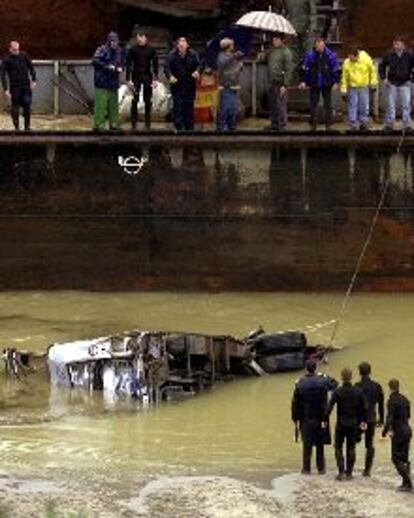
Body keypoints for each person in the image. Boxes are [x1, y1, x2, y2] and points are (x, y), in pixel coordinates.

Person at [291, 359, 338, 475]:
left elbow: (295, 403)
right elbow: (335, 385)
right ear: (315, 368)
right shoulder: (323, 381)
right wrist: (324, 375)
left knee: (307, 445)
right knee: (320, 444)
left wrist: (295, 418)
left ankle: (306, 469)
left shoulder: (300, 383)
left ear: (306, 368)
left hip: (306, 418)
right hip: (321, 417)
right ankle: (321, 469)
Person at [326, 368, 367, 480]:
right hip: (353, 424)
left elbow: (329, 408)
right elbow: (363, 410)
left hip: (341, 424)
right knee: (351, 447)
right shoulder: (358, 391)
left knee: (338, 447)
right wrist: (362, 425)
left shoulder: (338, 391)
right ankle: (349, 473)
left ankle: (341, 472)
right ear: (351, 377)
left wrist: (324, 420)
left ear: (342, 377)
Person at [300, 37, 340, 131]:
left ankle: (328, 125)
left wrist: (336, 81)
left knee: (328, 104)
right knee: (313, 104)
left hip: (327, 83)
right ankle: (313, 125)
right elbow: (304, 69)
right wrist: (303, 81)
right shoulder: (310, 55)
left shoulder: (330, 55)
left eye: (322, 46)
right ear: (315, 46)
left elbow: (335, 69)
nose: (320, 48)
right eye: (318, 46)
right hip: (314, 83)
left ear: (324, 45)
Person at [379, 36, 414, 133]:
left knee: (406, 105)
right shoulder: (389, 54)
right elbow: (382, 66)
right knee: (390, 105)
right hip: (392, 83)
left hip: (405, 83)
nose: (395, 46)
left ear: (403, 44)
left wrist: (411, 79)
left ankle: (406, 124)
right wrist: (384, 78)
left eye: (397, 44)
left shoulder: (409, 54)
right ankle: (389, 124)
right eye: (394, 44)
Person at [382, 379, 412, 491]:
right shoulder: (405, 399)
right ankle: (406, 483)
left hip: (399, 432)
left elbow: (390, 417)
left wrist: (384, 431)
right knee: (404, 458)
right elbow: (408, 416)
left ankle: (408, 482)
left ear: (390, 388)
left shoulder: (392, 400)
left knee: (395, 459)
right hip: (408, 430)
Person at [355, 362, 384, 477]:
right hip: (371, 419)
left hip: (360, 421)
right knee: (369, 443)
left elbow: (354, 405)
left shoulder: (357, 386)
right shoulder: (377, 386)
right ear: (370, 372)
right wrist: (381, 419)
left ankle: (349, 468)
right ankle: (367, 470)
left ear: (360, 372)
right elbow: (381, 404)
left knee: (353, 441)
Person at [165, 37, 200, 132]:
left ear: (187, 45)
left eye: (183, 43)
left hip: (189, 83)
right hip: (177, 84)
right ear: (177, 46)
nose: (181, 45)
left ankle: (189, 128)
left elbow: (199, 65)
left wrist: (197, 71)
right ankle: (179, 128)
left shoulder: (193, 54)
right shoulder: (171, 55)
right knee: (178, 106)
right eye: (180, 44)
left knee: (189, 106)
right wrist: (170, 76)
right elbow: (167, 68)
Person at [126, 29, 159, 131]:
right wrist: (128, 79)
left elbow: (155, 64)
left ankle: (148, 123)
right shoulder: (133, 49)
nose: (140, 39)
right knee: (135, 100)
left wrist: (155, 78)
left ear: (146, 38)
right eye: (138, 38)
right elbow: (129, 64)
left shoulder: (151, 49)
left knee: (147, 100)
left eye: (142, 37)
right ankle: (133, 123)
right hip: (136, 76)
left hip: (147, 76)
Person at [340, 46, 378, 131]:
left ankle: (363, 123)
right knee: (352, 105)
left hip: (363, 86)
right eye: (349, 57)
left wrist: (373, 84)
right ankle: (353, 123)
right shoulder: (347, 63)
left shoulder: (366, 58)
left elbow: (372, 71)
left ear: (357, 56)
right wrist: (344, 91)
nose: (351, 59)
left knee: (363, 105)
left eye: (352, 58)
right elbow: (344, 78)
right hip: (352, 86)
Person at [1, 41, 36, 131]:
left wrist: (34, 79)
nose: (17, 51)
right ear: (10, 49)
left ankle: (27, 127)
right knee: (15, 108)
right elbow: (3, 75)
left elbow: (31, 67)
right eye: (14, 50)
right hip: (15, 87)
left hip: (25, 86)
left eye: (18, 49)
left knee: (27, 105)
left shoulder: (24, 55)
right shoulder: (6, 59)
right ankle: (16, 128)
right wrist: (6, 89)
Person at [92, 32, 123, 131]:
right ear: (108, 41)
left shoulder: (119, 51)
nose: (114, 43)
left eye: (116, 41)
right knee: (101, 105)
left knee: (113, 105)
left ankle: (114, 124)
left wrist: (120, 67)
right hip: (102, 82)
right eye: (112, 41)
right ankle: (99, 124)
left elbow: (122, 62)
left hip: (113, 82)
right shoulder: (101, 50)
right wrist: (107, 66)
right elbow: (95, 61)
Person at [263, 33, 294, 132]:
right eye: (273, 39)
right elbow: (265, 61)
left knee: (280, 105)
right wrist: (263, 55)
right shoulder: (271, 51)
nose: (274, 41)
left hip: (280, 83)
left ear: (281, 40)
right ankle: (274, 123)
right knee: (272, 105)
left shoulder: (286, 52)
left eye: (276, 39)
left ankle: (282, 125)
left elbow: (289, 69)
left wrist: (285, 84)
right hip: (271, 81)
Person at [216, 38, 243, 131]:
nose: (233, 46)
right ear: (227, 47)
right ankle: (222, 126)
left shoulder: (232, 56)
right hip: (225, 86)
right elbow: (223, 64)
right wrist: (234, 56)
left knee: (233, 109)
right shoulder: (221, 56)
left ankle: (232, 126)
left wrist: (239, 64)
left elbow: (236, 69)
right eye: (231, 45)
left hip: (233, 86)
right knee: (224, 108)